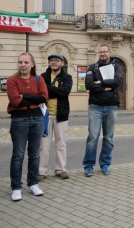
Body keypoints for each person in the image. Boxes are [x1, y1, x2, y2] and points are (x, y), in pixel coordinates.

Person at [7, 53, 48, 201]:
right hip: (19, 120)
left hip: (38, 119)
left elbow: (44, 98)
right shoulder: (12, 80)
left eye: (26, 62)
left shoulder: (39, 79)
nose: (23, 65)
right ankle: (16, 187)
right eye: (20, 62)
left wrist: (24, 96)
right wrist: (31, 99)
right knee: (18, 155)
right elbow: (15, 101)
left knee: (34, 155)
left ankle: (33, 184)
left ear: (32, 64)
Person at [82, 44, 122, 177]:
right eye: (100, 52)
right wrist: (104, 86)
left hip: (111, 106)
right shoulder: (93, 68)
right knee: (92, 138)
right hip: (95, 107)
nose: (102, 54)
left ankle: (105, 164)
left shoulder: (117, 67)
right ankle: (88, 166)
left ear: (110, 52)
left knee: (108, 138)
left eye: (105, 51)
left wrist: (99, 82)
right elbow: (88, 84)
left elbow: (117, 82)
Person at [39, 53, 73, 180]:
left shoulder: (67, 77)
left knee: (61, 144)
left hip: (61, 115)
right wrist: (54, 90)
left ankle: (61, 170)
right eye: (52, 60)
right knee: (44, 145)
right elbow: (41, 93)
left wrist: (49, 89)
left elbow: (65, 92)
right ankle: (41, 171)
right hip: (45, 115)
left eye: (57, 60)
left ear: (62, 63)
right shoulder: (43, 77)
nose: (53, 62)